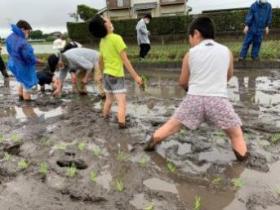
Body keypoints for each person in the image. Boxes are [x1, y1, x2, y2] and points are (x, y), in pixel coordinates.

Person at [144, 17, 249, 161]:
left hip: (194, 99)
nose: (190, 41)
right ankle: (242, 164)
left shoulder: (190, 54)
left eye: (190, 38)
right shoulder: (226, 52)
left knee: (171, 126)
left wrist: (191, 90)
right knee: (236, 134)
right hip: (218, 100)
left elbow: (182, 82)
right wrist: (215, 85)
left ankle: (149, 146)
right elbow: (228, 75)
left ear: (196, 33)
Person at [89, 15, 143, 129]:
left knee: (109, 99)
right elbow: (125, 60)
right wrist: (136, 77)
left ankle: (104, 117)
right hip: (117, 75)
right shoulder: (117, 38)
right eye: (107, 19)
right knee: (121, 102)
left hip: (107, 75)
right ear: (105, 24)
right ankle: (122, 124)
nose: (109, 20)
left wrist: (103, 74)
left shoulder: (102, 41)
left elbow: (100, 60)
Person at [6, 20, 39, 101]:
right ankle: (28, 107)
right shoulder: (22, 42)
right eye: (28, 31)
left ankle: (20, 98)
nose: (28, 33)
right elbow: (28, 56)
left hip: (12, 63)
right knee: (27, 87)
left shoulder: (10, 37)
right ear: (23, 29)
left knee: (21, 81)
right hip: (21, 65)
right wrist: (35, 60)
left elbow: (9, 51)